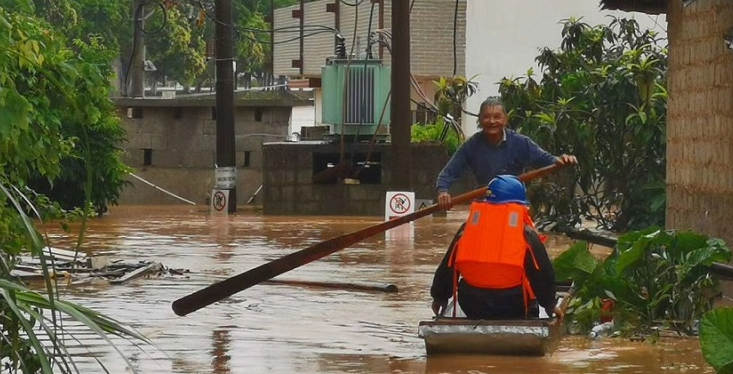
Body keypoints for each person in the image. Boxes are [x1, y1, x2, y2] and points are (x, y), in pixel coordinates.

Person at [430, 175, 563, 320]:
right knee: (529, 288)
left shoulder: (467, 229)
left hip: (472, 303)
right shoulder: (526, 233)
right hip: (512, 304)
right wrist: (550, 305)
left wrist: (439, 297)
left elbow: (447, 267)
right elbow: (541, 273)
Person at [436, 96, 577, 211]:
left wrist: (560, 160)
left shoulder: (520, 142)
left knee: (531, 242)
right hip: (485, 204)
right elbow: (448, 173)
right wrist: (443, 192)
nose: (492, 121)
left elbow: (545, 159)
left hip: (516, 204)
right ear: (480, 120)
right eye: (486, 117)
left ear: (505, 119)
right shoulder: (471, 145)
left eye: (497, 117)